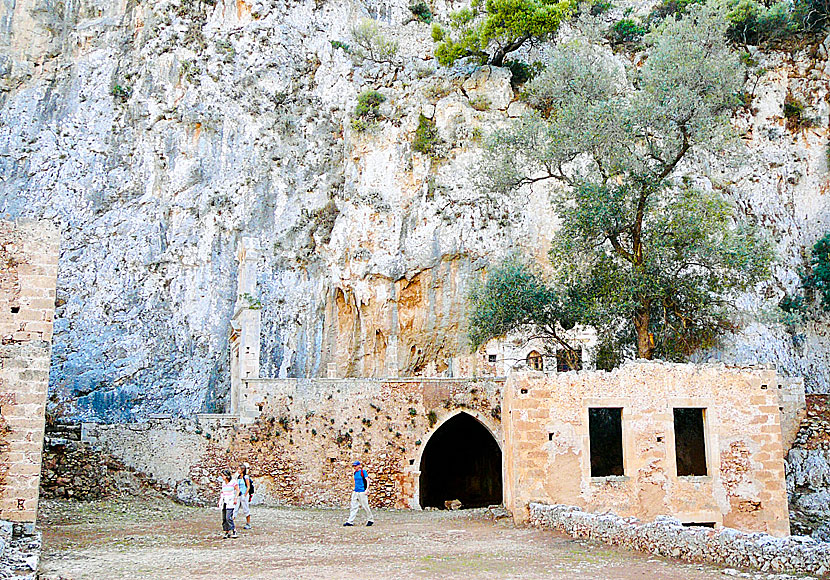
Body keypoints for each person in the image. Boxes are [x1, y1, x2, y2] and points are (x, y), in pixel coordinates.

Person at [343, 460, 374, 527]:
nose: (354, 467)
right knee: (353, 506)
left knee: (365, 506)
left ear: (359, 465)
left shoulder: (363, 472)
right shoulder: (355, 473)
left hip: (362, 491)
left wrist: (367, 489)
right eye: (354, 466)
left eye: (355, 466)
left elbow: (367, 480)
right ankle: (350, 521)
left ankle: (370, 519)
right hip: (356, 491)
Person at [218, 468, 239, 538]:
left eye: (223, 475)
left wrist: (235, 498)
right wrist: (220, 501)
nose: (222, 477)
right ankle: (226, 531)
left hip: (230, 501)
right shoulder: (223, 483)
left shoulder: (233, 482)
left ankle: (233, 530)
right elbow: (222, 492)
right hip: (224, 501)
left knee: (228, 517)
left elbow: (237, 490)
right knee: (224, 518)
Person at [234, 464, 253, 530]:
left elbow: (248, 486)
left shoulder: (246, 477)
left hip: (244, 495)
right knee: (235, 508)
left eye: (239, 469)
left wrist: (245, 495)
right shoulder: (238, 477)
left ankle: (248, 523)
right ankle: (232, 523)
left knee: (246, 509)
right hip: (239, 494)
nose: (238, 470)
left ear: (243, 470)